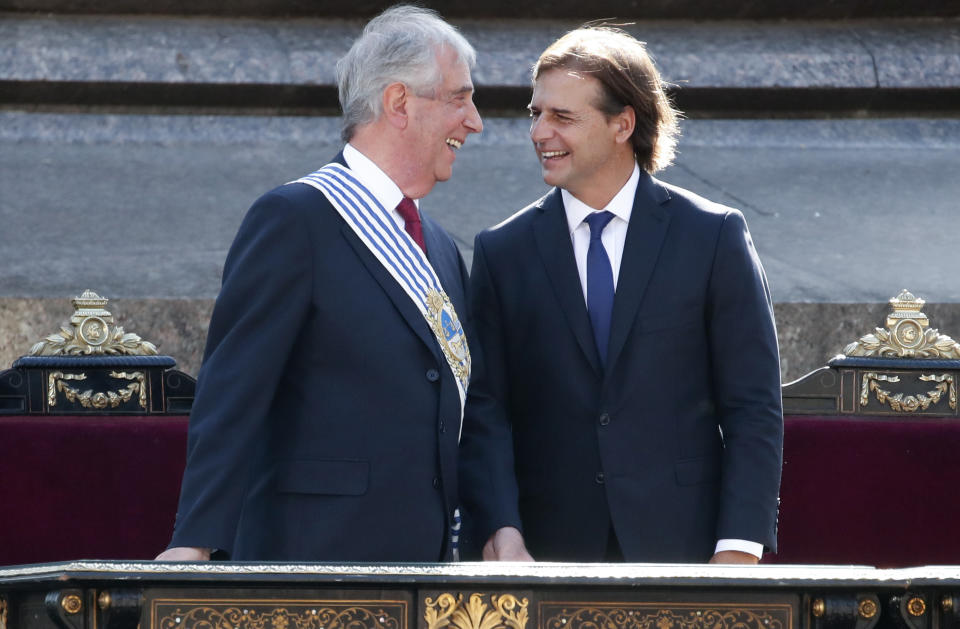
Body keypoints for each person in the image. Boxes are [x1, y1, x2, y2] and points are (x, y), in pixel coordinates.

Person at [157, 4, 482, 562]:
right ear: (400, 102)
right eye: (459, 97)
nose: (474, 121)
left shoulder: (445, 249)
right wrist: (195, 541)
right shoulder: (295, 218)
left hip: (426, 568)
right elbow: (234, 390)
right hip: (310, 561)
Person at [459, 27, 782, 564]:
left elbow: (752, 406)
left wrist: (739, 548)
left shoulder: (713, 236)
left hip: (686, 549)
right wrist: (501, 529)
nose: (539, 132)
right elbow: (487, 411)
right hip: (545, 554)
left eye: (562, 117)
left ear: (622, 123)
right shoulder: (502, 251)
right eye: (535, 113)